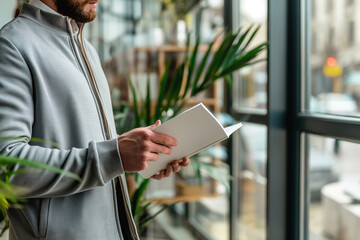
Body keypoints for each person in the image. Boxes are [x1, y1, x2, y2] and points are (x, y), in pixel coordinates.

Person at [0, 0, 190, 239]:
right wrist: (114, 155)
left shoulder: (86, 48)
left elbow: (93, 150)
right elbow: (6, 166)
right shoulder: (12, 44)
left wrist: (141, 154)